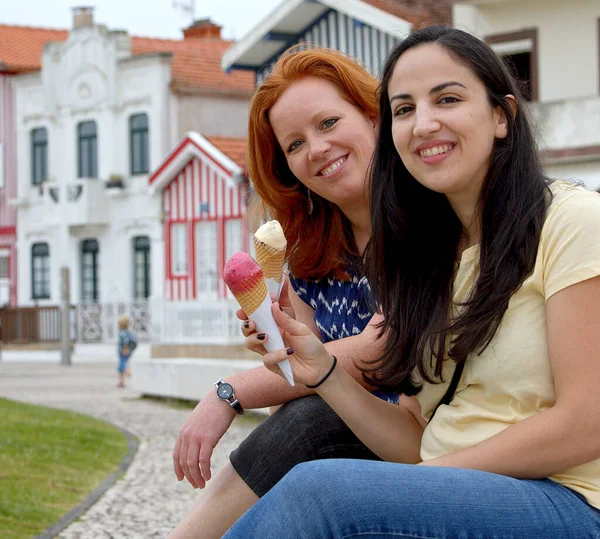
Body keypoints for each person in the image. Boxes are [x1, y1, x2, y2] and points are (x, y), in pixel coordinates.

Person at [222, 26, 600, 538]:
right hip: (460, 495)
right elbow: (416, 441)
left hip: (570, 501)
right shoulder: (428, 265)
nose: (423, 123)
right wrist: (325, 371)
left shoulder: (573, 221)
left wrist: (421, 481)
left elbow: (588, 423)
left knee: (319, 495)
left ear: (501, 115)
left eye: (447, 98)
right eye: (404, 109)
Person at [167, 47, 411, 539]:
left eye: (328, 123)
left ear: (372, 117)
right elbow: (303, 369)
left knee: (312, 420)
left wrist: (230, 392)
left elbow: (378, 353)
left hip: (415, 433)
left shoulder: (418, 220)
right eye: (295, 143)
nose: (315, 149)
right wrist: (274, 343)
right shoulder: (308, 248)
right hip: (339, 431)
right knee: (305, 423)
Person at [116, 314, 137, 388]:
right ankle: (121, 382)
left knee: (121, 367)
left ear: (121, 325)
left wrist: (125, 349)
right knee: (122, 367)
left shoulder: (122, 333)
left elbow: (126, 341)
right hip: (125, 352)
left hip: (123, 352)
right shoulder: (127, 332)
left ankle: (129, 374)